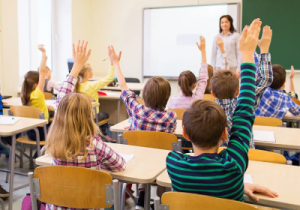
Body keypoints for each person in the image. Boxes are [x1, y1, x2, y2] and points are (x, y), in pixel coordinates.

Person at [167, 18, 278, 202]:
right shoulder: (234, 167)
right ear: (226, 134)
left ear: (185, 133)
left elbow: (204, 185)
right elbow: (244, 112)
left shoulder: (174, 164)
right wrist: (248, 55)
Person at [46, 40, 126, 210]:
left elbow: (62, 100)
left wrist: (76, 66)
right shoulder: (94, 145)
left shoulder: (55, 145)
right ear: (88, 117)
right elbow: (120, 165)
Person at [108, 45, 177, 209]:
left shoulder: (137, 111)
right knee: (160, 157)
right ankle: (160, 200)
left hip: (137, 162)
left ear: (145, 94)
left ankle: (141, 196)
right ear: (167, 96)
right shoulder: (171, 116)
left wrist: (116, 63)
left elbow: (124, 87)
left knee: (143, 153)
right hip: (161, 165)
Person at [211, 25, 273, 148]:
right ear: (238, 91)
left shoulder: (206, 112)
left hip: (217, 164)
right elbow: (265, 79)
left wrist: (223, 51)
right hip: (245, 163)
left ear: (212, 92)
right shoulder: (244, 106)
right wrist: (264, 48)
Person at [74, 54, 121, 142]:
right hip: (92, 116)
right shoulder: (92, 85)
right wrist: (112, 64)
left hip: (81, 116)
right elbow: (109, 78)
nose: (93, 71)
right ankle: (104, 134)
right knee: (105, 114)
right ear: (87, 74)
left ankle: (101, 134)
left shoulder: (76, 86)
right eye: (91, 70)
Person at [20, 45, 53, 141]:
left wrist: (45, 108)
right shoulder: (37, 94)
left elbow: (35, 108)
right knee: (62, 124)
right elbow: (42, 72)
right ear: (35, 85)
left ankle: (40, 152)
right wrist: (43, 53)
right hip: (42, 133)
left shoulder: (25, 95)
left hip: (30, 133)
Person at [167, 36, 208, 109]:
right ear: (194, 85)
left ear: (178, 83)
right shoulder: (196, 101)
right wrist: (203, 51)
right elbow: (203, 78)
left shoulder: (172, 101)